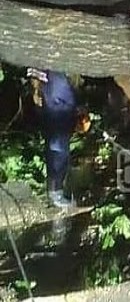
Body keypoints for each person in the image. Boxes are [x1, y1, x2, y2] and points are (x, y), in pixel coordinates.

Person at [28, 68, 78, 208]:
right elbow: (36, 62)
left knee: (60, 145)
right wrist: (36, 89)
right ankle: (55, 191)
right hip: (55, 96)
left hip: (63, 95)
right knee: (58, 146)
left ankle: (57, 189)